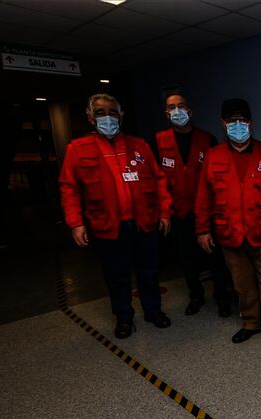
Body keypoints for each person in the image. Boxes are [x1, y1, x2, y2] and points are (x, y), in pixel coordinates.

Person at [59, 93, 173, 339]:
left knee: (149, 272)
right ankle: (124, 318)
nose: (107, 118)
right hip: (108, 227)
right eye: (100, 113)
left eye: (112, 112)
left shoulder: (139, 145)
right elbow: (69, 188)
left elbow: (159, 179)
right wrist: (76, 223)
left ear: (121, 116)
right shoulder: (77, 149)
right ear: (90, 118)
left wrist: (165, 212)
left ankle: (154, 311)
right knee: (116, 276)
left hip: (144, 223)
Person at [195, 98, 261, 347]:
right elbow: (203, 197)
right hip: (230, 234)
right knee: (242, 285)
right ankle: (251, 322)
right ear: (223, 124)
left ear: (251, 123)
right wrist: (202, 230)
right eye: (232, 121)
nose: (237, 125)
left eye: (242, 120)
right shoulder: (213, 156)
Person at [155, 91, 232, 317]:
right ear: (166, 113)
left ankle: (221, 296)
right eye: (171, 107)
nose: (177, 111)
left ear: (190, 110)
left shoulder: (207, 140)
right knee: (187, 258)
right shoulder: (158, 142)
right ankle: (195, 295)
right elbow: (156, 180)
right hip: (179, 212)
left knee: (216, 257)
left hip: (209, 210)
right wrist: (164, 213)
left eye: (181, 106)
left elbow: (220, 177)